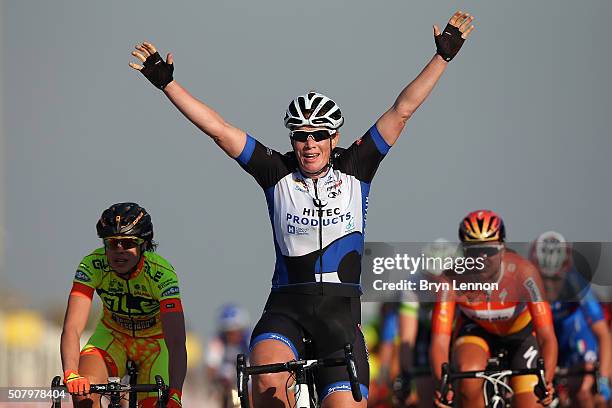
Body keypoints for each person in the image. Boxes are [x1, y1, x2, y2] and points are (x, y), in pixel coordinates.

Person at [130, 11, 474, 407]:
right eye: (300, 137)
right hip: (286, 309)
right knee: (266, 383)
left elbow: (402, 110)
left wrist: (441, 58)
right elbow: (220, 130)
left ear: (334, 137)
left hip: (340, 317)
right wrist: (168, 84)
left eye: (318, 136)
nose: (309, 145)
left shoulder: (357, 167)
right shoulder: (276, 172)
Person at [60, 203, 186, 408]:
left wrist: (175, 394)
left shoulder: (162, 274)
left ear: (143, 245)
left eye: (128, 243)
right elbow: (72, 327)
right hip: (112, 336)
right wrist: (71, 374)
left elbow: (177, 341)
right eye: (111, 243)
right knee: (84, 396)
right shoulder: (92, 264)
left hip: (154, 344)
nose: (119, 250)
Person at [430, 210, 558, 407]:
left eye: (489, 250)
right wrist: (444, 384)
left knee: (531, 401)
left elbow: (546, 334)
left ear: (502, 248)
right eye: (473, 251)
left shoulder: (525, 274)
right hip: (477, 331)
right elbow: (439, 340)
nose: (481, 258)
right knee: (467, 376)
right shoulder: (450, 280)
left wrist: (546, 381)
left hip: (521, 336)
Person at [530, 231, 611, 407]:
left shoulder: (578, 285)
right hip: (546, 342)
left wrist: (603, 380)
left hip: (575, 342)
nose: (550, 285)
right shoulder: (528, 285)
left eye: (555, 278)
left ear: (565, 272)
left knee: (582, 392)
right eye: (544, 278)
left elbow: (603, 334)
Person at [205, 304, 251, 407]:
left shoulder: (249, 340)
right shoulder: (218, 340)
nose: (231, 335)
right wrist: (213, 385)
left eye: (234, 331)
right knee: (225, 376)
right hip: (229, 372)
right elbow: (211, 366)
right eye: (228, 332)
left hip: (248, 370)